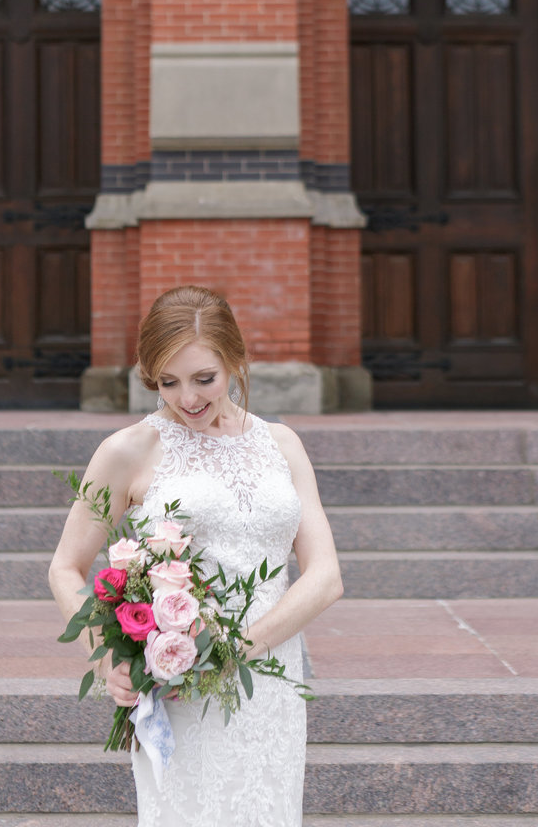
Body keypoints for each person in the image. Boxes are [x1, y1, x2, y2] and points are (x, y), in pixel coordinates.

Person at [49, 285, 343, 827]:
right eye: (168, 382)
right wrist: (111, 655)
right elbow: (65, 567)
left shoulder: (283, 444)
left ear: (236, 360)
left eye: (204, 378)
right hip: (179, 685)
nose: (187, 399)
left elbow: (325, 577)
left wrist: (232, 653)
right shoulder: (129, 450)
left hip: (269, 678)